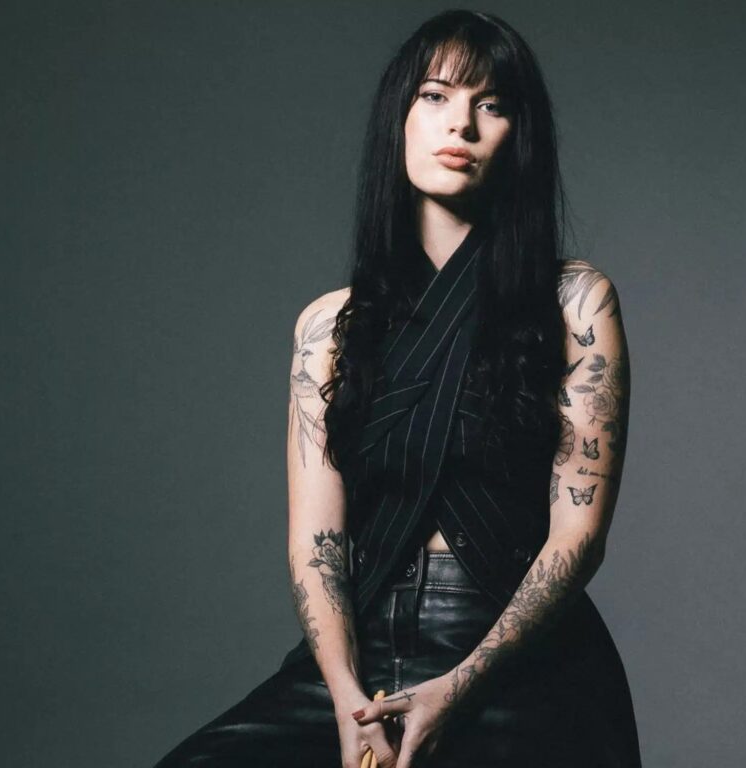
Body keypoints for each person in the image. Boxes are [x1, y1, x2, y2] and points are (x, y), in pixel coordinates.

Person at [153, 9, 642, 768]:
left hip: (515, 656)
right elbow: (317, 541)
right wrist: (348, 700)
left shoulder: (575, 302)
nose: (461, 125)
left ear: (519, 136)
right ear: (399, 120)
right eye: (435, 96)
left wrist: (460, 684)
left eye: (491, 104)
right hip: (361, 652)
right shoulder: (329, 326)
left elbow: (578, 535)